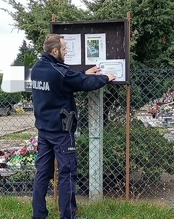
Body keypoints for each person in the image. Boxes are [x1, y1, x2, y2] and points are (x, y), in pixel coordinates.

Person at [31, 34, 116, 219]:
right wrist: (106, 78)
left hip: (44, 131)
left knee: (42, 173)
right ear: (55, 51)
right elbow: (83, 83)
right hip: (61, 132)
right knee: (67, 173)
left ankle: (38, 215)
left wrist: (84, 73)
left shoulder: (38, 68)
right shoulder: (58, 72)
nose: (66, 51)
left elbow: (66, 79)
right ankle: (68, 216)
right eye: (63, 48)